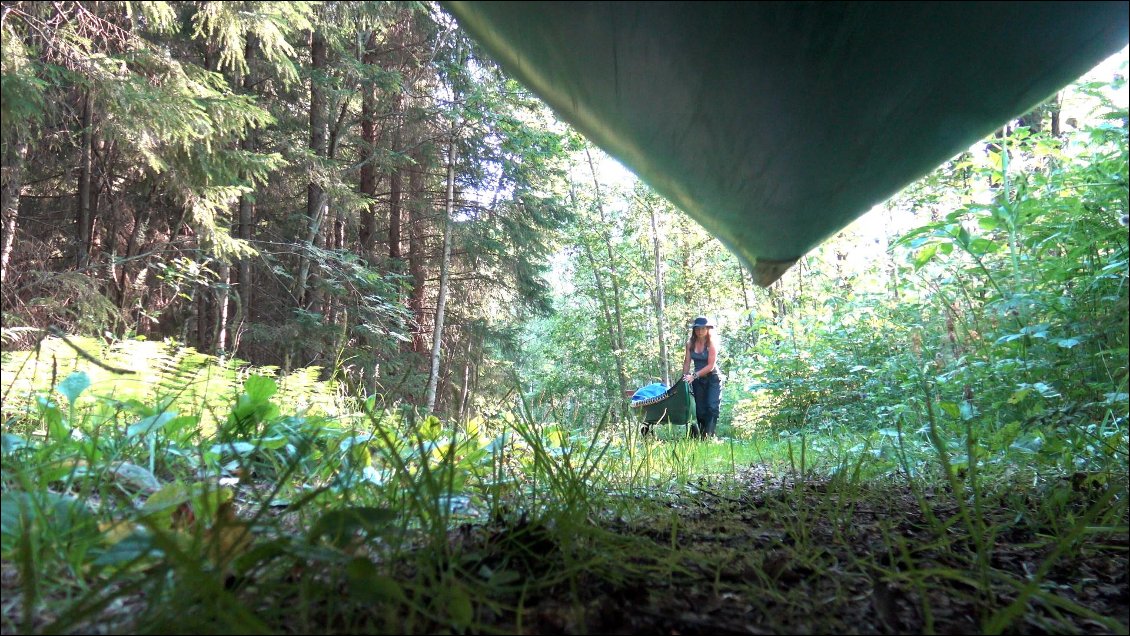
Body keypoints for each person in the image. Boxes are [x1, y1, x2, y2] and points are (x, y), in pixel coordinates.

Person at [681, 315, 722, 438]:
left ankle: (710, 436)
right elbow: (687, 362)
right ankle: (703, 437)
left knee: (712, 406)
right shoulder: (690, 344)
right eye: (697, 329)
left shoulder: (711, 344)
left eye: (703, 328)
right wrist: (684, 378)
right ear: (694, 330)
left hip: (712, 378)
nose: (700, 331)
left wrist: (694, 375)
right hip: (698, 380)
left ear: (707, 329)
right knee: (700, 410)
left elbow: (711, 365)